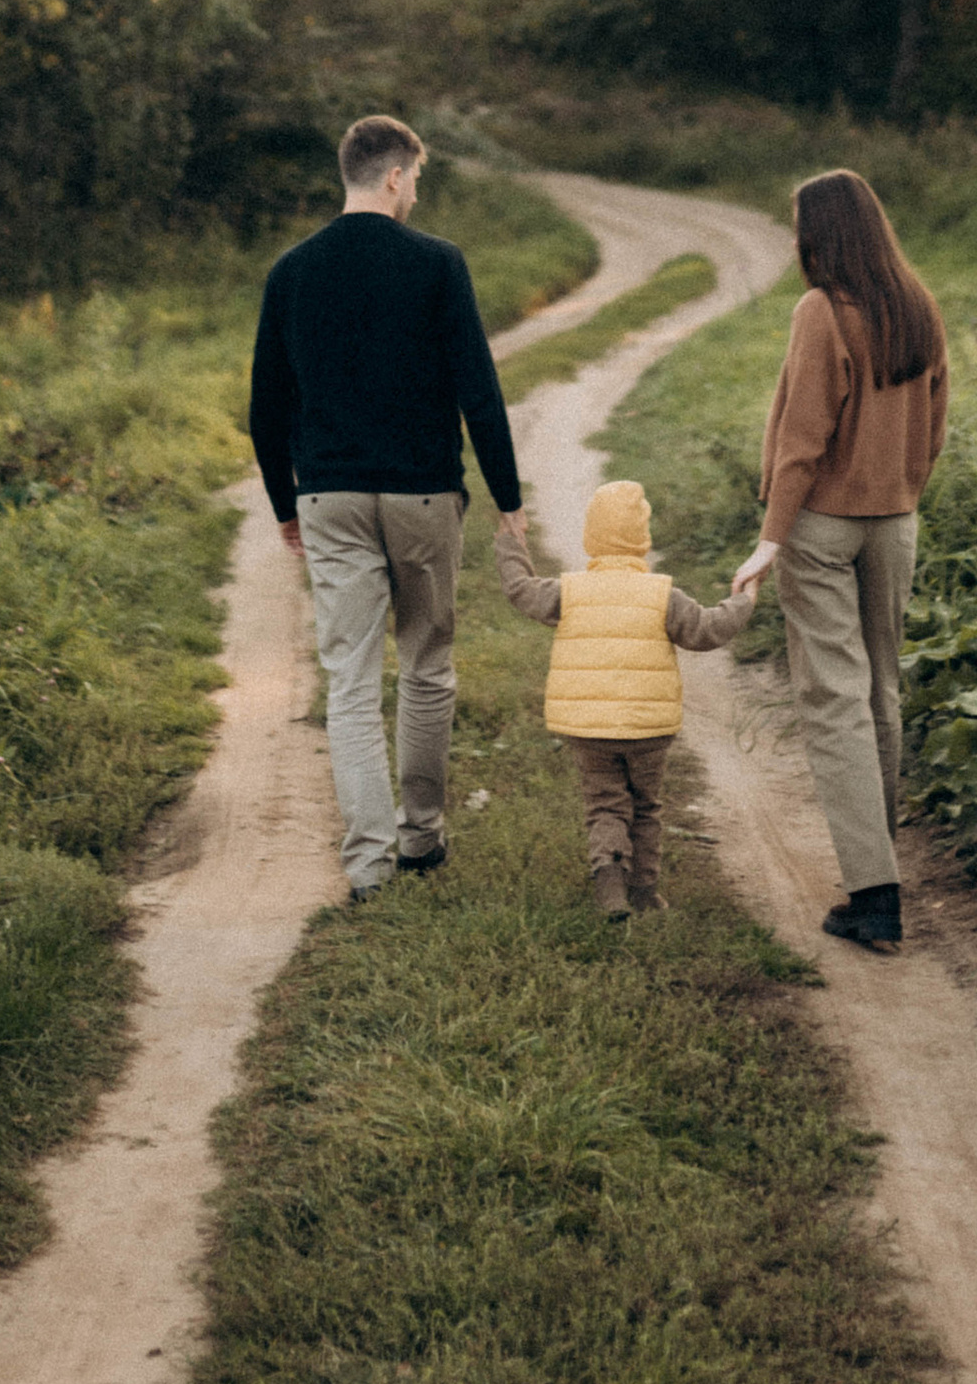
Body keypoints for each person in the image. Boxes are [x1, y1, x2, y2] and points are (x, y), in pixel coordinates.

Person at [249, 113, 526, 902]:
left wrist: (284, 501)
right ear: (398, 175)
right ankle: (422, 837)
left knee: (351, 677)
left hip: (328, 495)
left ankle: (368, 864)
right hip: (424, 492)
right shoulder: (439, 263)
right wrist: (508, 497)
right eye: (417, 180)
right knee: (428, 664)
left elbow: (267, 405)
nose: (415, 194)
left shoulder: (291, 271)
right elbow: (479, 386)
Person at [730, 169, 948, 954]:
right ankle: (877, 864)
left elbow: (803, 436)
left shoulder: (822, 310)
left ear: (821, 232)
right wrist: (901, 490)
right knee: (881, 691)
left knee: (834, 698)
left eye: (799, 227)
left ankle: (874, 891)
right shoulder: (917, 304)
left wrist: (771, 538)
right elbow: (934, 423)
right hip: (896, 523)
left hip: (823, 525)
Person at [496, 476, 764, 918]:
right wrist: (745, 600)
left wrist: (511, 543)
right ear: (643, 538)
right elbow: (708, 630)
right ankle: (643, 892)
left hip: (589, 729)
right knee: (645, 807)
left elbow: (520, 591)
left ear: (590, 537)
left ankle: (609, 881)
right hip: (647, 729)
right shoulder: (662, 594)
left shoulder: (571, 591)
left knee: (605, 803)